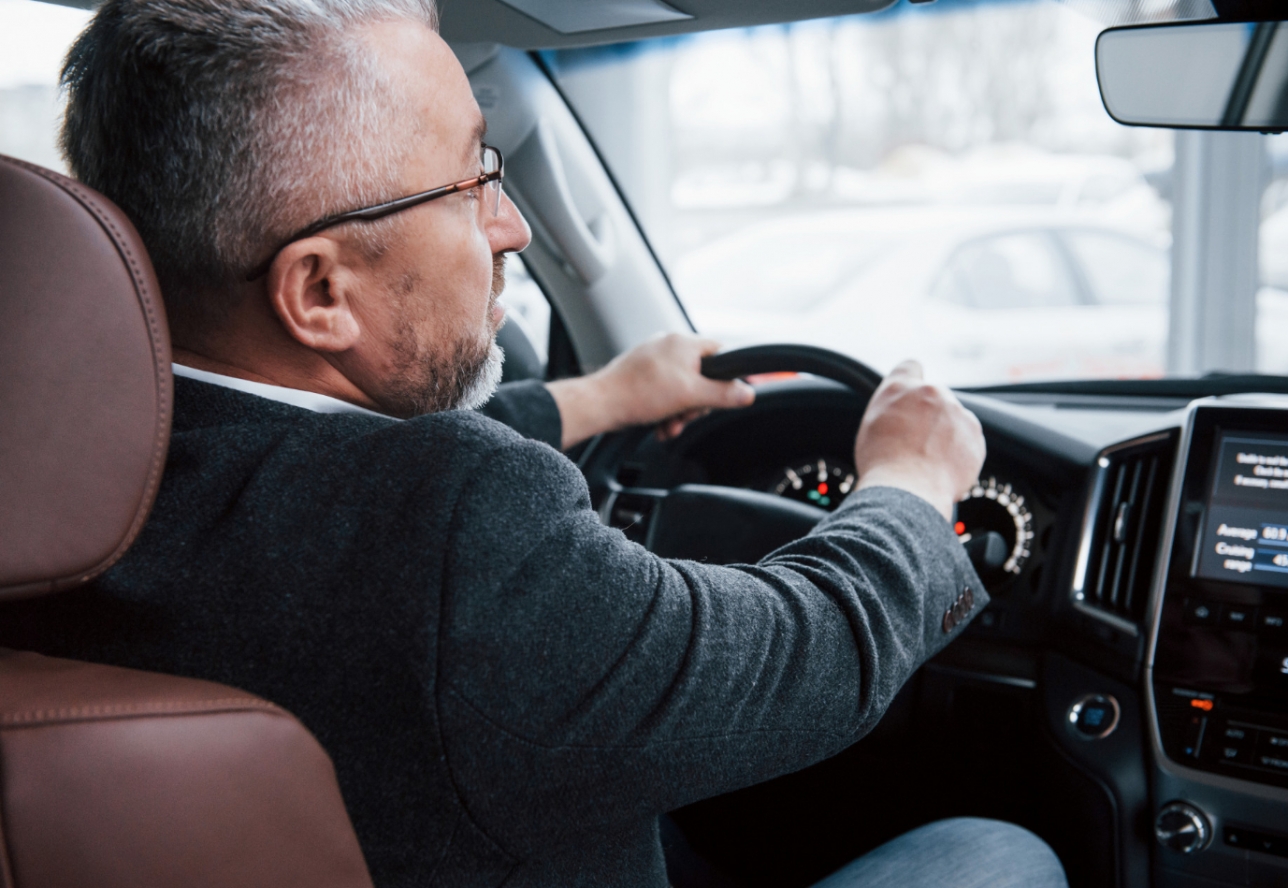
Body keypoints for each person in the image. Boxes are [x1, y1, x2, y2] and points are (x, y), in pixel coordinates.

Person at [0, 0, 1067, 886]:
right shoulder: (453, 532)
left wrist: (603, 396)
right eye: (471, 181)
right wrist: (911, 487)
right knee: (999, 854)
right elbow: (802, 654)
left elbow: (322, 462)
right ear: (321, 291)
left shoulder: (72, 481)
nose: (508, 226)